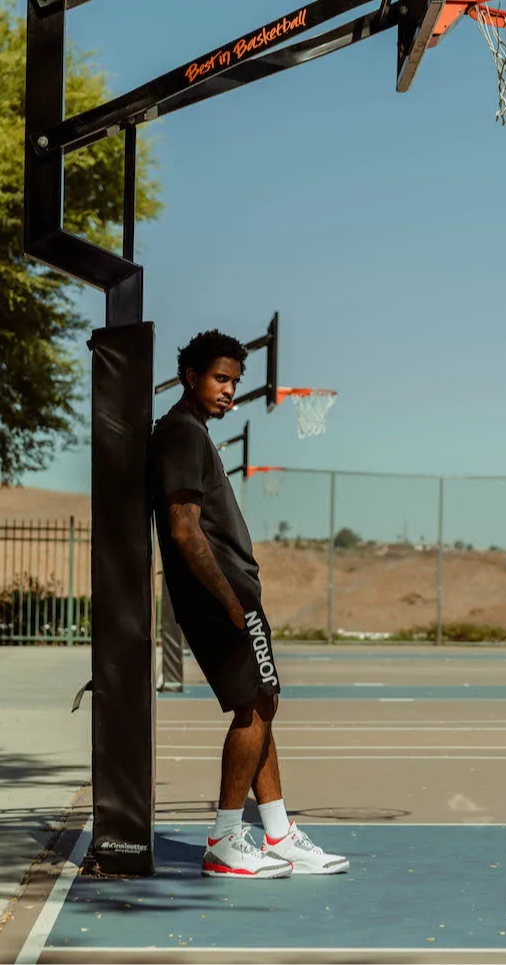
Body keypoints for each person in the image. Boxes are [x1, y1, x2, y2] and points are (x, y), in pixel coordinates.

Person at [150, 330, 349, 879]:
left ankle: (279, 833)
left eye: (234, 382)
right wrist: (231, 601)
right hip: (220, 594)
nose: (229, 391)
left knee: (263, 702)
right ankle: (224, 836)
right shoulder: (182, 433)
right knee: (256, 706)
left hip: (229, 593)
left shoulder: (188, 432)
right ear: (191, 376)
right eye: (220, 379)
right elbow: (185, 531)